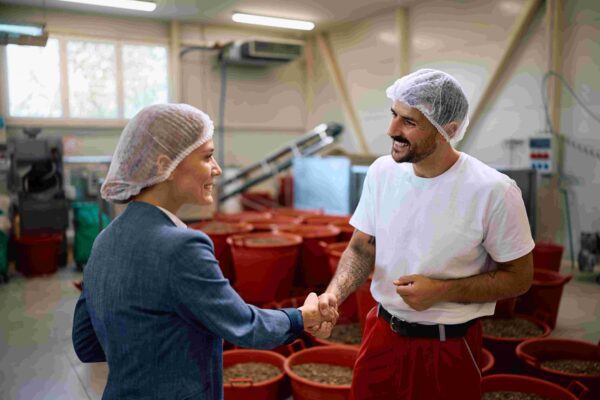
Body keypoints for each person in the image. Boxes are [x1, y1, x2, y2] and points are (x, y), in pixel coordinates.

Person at [72, 104, 336, 400]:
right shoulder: (181, 247)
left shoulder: (104, 240)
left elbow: (86, 343)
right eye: (207, 156)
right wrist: (301, 318)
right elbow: (245, 327)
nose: (217, 168)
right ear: (163, 165)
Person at [317, 69, 535, 400]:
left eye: (409, 122)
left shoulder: (493, 191)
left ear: (448, 131)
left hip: (449, 348)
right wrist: (334, 294)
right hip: (381, 337)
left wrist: (442, 291)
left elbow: (519, 278)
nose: (392, 130)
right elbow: (362, 249)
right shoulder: (382, 173)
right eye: (394, 114)